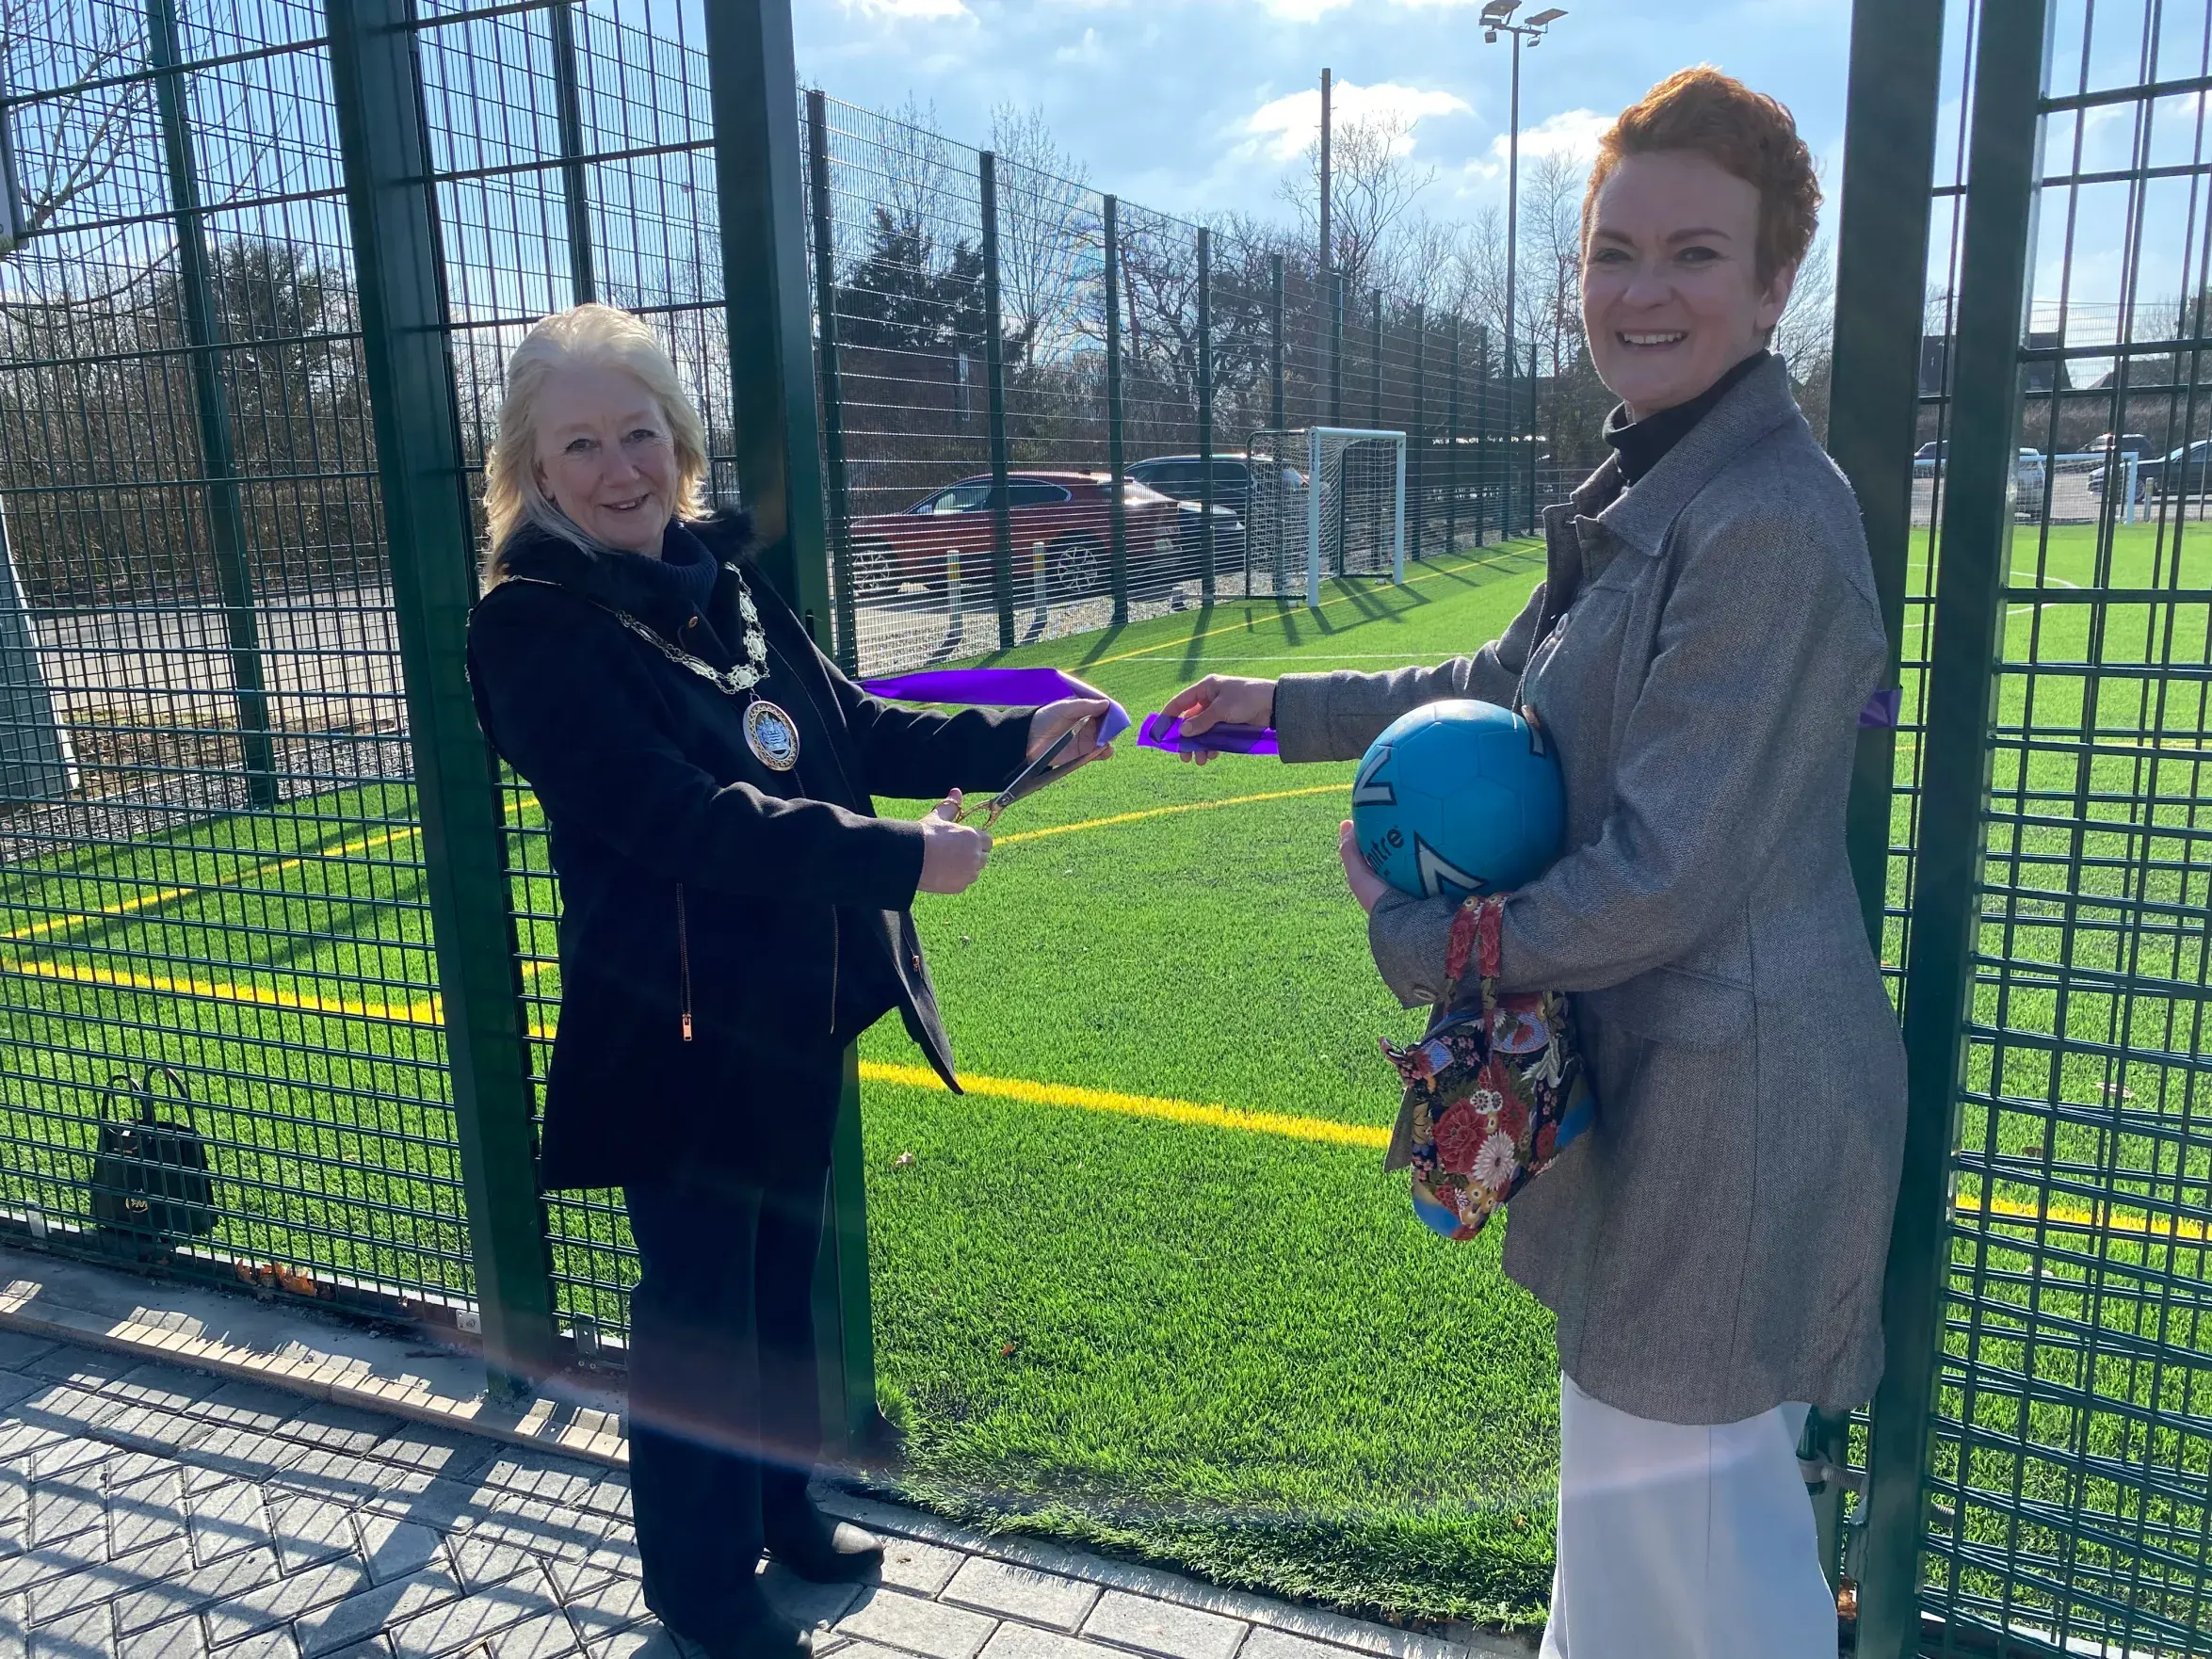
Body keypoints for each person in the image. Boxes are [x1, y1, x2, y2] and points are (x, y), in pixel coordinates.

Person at [1164, 69, 1905, 1659]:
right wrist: (1274, 707)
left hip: (1733, 1110)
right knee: (1632, 1555)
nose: (1643, 291)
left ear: (1776, 283)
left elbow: (1661, 876)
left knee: (1703, 1573)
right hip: (1664, 1088)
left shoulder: (1769, 516)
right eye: (1613, 252)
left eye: (1696, 254)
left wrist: (1416, 939)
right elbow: (1494, 688)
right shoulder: (1655, 476)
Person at [465, 303, 1113, 1659]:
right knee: (697, 1311)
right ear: (532, 468)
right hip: (672, 1032)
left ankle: (779, 1511)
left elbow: (847, 724)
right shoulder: (529, 631)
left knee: (776, 1286)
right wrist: (901, 858)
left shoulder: (726, 579)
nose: (620, 468)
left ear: (679, 440)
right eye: (579, 445)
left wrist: (1014, 739)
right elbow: (683, 819)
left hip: (793, 1016)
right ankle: (700, 1587)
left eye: (640, 432)